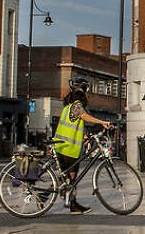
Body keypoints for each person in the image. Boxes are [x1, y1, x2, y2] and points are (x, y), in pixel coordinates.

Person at [52, 77, 112, 215]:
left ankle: (61, 201)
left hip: (61, 146)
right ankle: (72, 205)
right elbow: (84, 116)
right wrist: (102, 122)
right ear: (83, 91)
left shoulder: (68, 106)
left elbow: (72, 125)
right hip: (69, 148)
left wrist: (84, 136)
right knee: (72, 178)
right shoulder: (77, 105)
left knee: (67, 179)